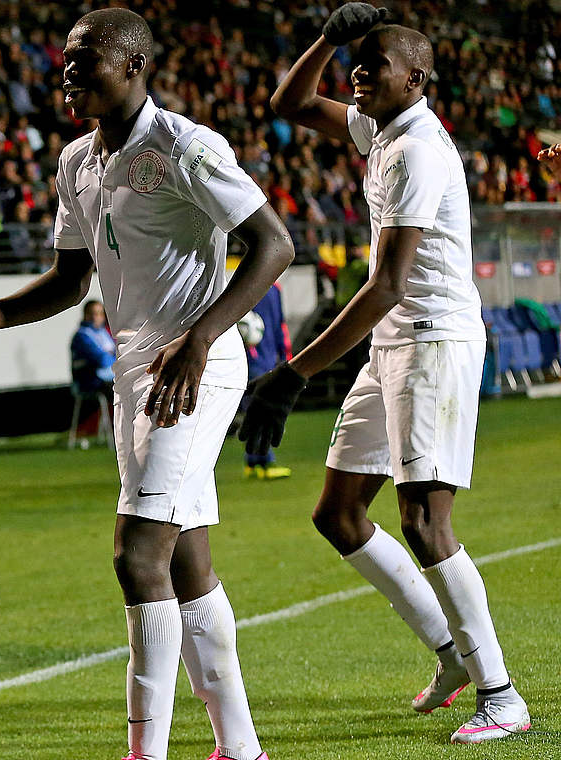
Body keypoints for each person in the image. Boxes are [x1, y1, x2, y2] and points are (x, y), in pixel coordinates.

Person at [0, 9, 294, 760]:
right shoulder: (77, 162)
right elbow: (72, 277)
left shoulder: (187, 146)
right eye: (63, 58)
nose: (66, 71)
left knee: (138, 553)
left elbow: (274, 243)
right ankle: (242, 747)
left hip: (192, 364)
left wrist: (201, 338)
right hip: (137, 369)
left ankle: (145, 752)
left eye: (84, 58)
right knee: (184, 557)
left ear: (134, 64)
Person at [257, 4, 530, 744]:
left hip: (433, 339)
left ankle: (500, 694)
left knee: (424, 522)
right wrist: (325, 39)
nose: (359, 73)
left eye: (375, 65)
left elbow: (386, 284)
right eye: (358, 62)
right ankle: (452, 655)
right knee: (337, 514)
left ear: (417, 79)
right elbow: (285, 104)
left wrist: (293, 374)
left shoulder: (418, 151)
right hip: (393, 344)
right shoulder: (379, 128)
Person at [239, 285, 291, 480]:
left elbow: (279, 325)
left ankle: (253, 462)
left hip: (267, 359)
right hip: (254, 359)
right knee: (262, 409)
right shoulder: (249, 282)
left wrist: (284, 357)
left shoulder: (274, 289)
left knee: (257, 409)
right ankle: (264, 461)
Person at [70, 299, 117, 439]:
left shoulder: (104, 333)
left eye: (99, 314)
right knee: (121, 390)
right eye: (92, 314)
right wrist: (111, 357)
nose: (96, 317)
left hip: (107, 377)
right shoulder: (82, 336)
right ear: (85, 315)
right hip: (90, 381)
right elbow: (102, 359)